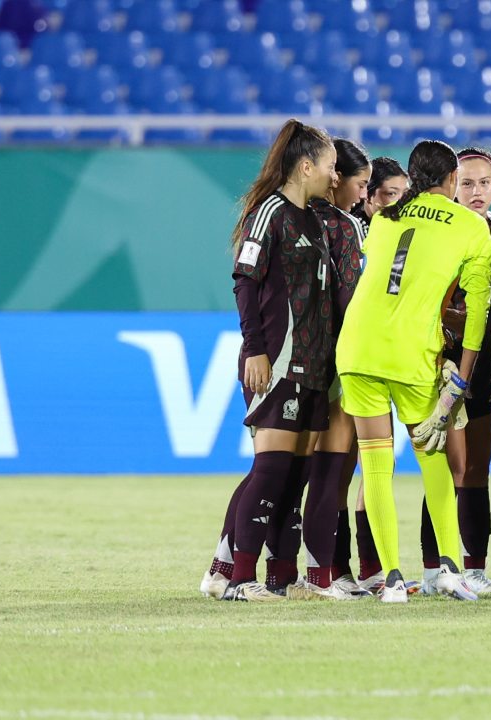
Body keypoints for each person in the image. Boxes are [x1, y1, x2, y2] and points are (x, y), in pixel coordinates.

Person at [335, 140, 491, 604]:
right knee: (433, 459)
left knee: (376, 464)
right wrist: (462, 376)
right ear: (449, 181)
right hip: (412, 356)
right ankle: (449, 567)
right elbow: (477, 310)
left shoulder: (385, 217)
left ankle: (389, 581)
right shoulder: (471, 226)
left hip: (358, 349)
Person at [199, 120, 338, 602]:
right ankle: (239, 578)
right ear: (305, 167)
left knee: (294, 478)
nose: (334, 176)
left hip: (314, 366)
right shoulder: (271, 212)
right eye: (329, 167)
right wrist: (255, 348)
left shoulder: (315, 217)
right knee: (271, 470)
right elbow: (245, 282)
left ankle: (280, 580)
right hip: (276, 362)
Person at [419, 147, 491, 595]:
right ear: (452, 184)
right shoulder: (440, 228)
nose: (475, 192)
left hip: (482, 361)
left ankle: (474, 566)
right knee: (447, 467)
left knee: (477, 469)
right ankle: (434, 567)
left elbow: (487, 302)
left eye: (483, 183)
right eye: (466, 182)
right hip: (445, 360)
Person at [285, 137, 373, 600]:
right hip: (338, 360)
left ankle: (229, 563)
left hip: (295, 355)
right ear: (335, 178)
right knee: (333, 471)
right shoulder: (342, 225)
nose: (363, 195)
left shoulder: (293, 216)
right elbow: (352, 299)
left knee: (279, 471)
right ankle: (320, 575)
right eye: (361, 184)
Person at [353, 157, 409, 230]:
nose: (403, 202)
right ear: (367, 195)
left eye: (406, 193)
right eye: (391, 193)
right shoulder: (352, 231)